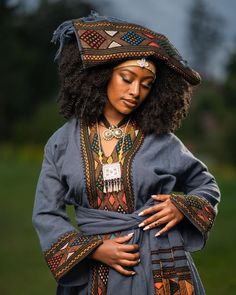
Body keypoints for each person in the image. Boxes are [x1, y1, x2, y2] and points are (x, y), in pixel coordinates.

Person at [32, 11, 220, 295]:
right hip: (96, 273)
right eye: (127, 78)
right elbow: (46, 213)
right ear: (103, 76)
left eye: (146, 84)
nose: (136, 92)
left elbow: (206, 185)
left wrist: (180, 207)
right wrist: (94, 250)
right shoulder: (61, 144)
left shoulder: (163, 140)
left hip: (163, 268)